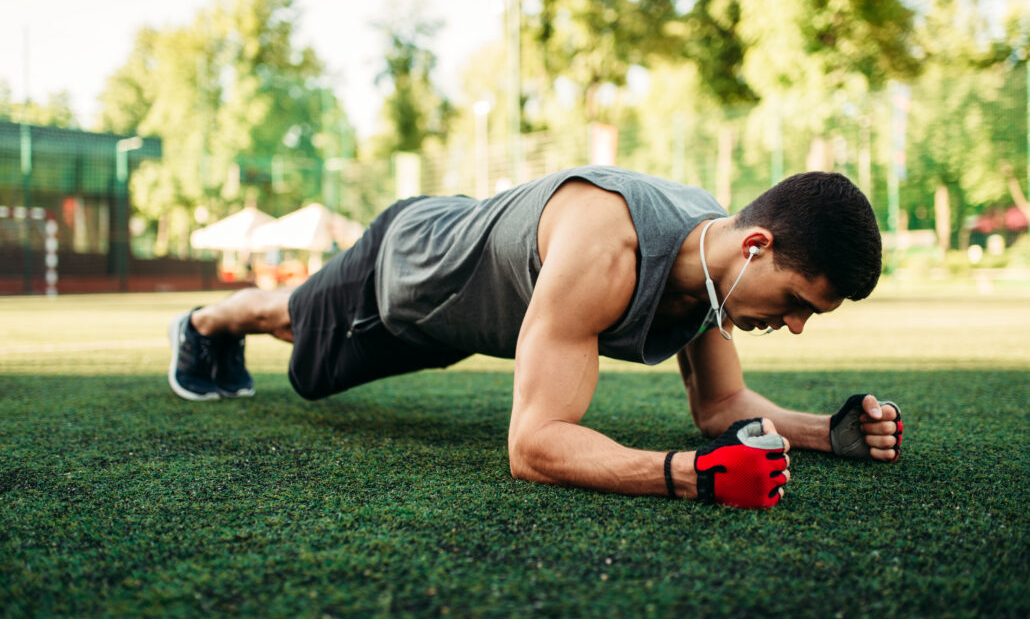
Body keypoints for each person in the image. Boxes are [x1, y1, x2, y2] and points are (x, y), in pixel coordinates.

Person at [168, 166, 902, 509]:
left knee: (304, 336)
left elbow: (723, 406)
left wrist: (823, 432)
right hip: (407, 277)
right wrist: (692, 475)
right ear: (757, 247)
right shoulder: (608, 249)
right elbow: (534, 446)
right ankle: (206, 326)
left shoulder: (716, 273)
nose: (798, 327)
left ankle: (228, 322)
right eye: (801, 303)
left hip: (472, 316)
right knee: (298, 335)